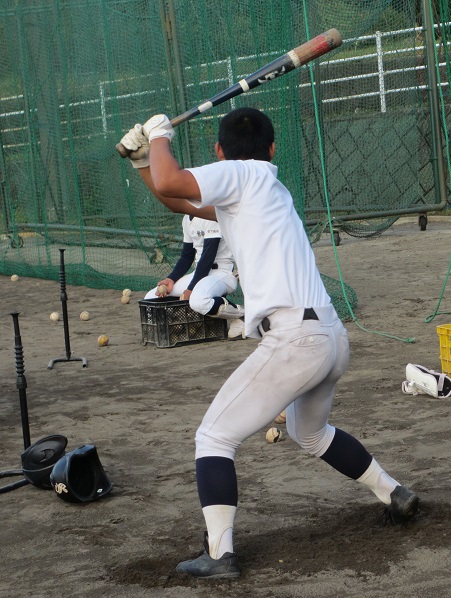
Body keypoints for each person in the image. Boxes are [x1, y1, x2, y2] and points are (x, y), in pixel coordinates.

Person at [118, 107, 419, 580]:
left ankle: (220, 555)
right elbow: (177, 200)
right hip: (331, 336)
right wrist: (141, 162)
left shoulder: (240, 175)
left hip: (295, 339)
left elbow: (174, 180)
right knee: (310, 433)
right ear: (273, 148)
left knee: (213, 437)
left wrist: (159, 136)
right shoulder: (264, 190)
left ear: (220, 152)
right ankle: (395, 494)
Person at [120, 126, 245, 339]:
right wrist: (171, 279)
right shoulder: (187, 218)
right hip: (200, 274)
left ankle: (240, 314)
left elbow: (208, 255)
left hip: (220, 274)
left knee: (198, 300)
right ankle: (214, 318)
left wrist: (191, 288)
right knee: (152, 297)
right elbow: (188, 256)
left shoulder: (213, 210)